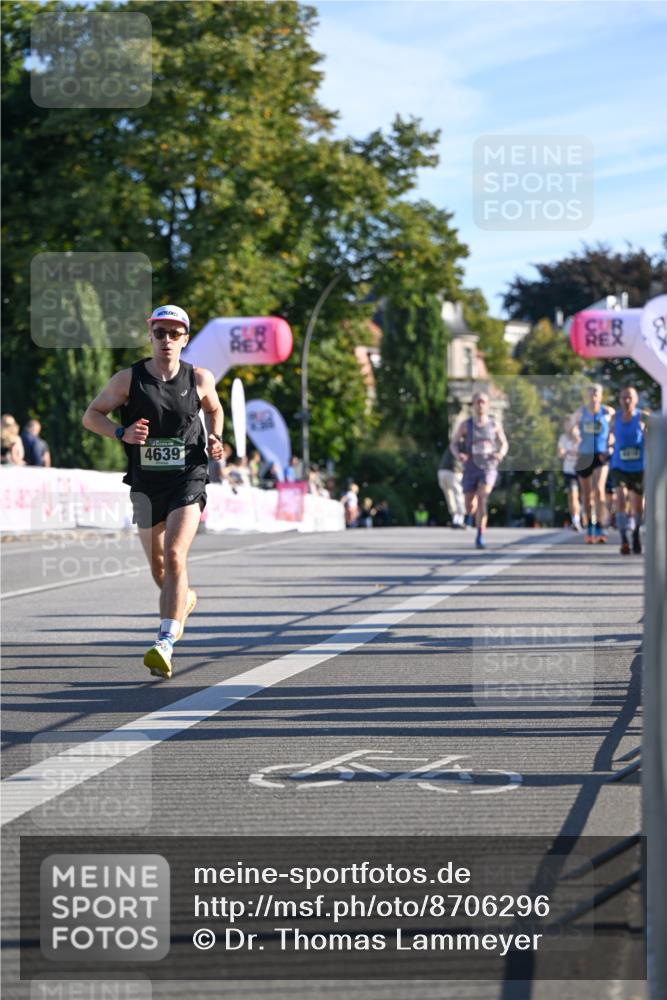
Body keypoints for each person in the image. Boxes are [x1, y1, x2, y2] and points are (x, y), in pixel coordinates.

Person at [82, 304, 224, 680]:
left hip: (188, 477)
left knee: (175, 555)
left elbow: (215, 410)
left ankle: (164, 642)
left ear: (185, 339)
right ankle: (183, 602)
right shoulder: (128, 380)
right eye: (159, 332)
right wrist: (120, 433)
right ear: (150, 335)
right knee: (159, 569)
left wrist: (215, 437)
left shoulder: (199, 378)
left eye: (174, 333)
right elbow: (91, 414)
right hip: (146, 484)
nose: (166, 340)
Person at [450, 391, 508, 549]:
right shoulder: (466, 425)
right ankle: (472, 513)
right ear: (473, 405)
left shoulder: (494, 424)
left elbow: (504, 443)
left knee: (483, 498)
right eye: (477, 402)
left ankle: (480, 534)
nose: (480, 405)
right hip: (470, 466)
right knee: (470, 505)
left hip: (488, 466)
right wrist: (458, 455)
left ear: (488, 405)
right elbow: (453, 444)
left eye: (483, 402)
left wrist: (500, 453)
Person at [570, 383, 615, 544]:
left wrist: (610, 444)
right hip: (584, 455)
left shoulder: (607, 412)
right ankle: (590, 525)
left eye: (597, 392)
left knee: (599, 490)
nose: (594, 395)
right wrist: (575, 436)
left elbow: (617, 429)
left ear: (601, 395)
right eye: (591, 392)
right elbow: (570, 427)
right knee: (586, 495)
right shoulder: (581, 412)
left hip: (600, 456)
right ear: (587, 395)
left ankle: (602, 526)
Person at [609, 386, 647, 555]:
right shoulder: (614, 418)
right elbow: (607, 436)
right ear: (619, 400)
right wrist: (605, 448)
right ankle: (624, 538)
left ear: (636, 399)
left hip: (639, 467)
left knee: (638, 506)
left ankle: (636, 533)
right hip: (619, 465)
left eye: (630, 397)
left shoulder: (642, 416)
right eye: (624, 397)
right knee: (620, 498)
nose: (627, 400)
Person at [557, 417, 581, 530]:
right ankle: (575, 519)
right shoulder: (563, 438)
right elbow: (560, 453)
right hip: (569, 470)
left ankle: (588, 518)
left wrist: (578, 440)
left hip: (583, 470)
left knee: (587, 496)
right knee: (572, 496)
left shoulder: (582, 436)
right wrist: (565, 451)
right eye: (566, 425)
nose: (568, 427)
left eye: (569, 424)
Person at [437, 444, 465, 528]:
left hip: (442, 471)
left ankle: (455, 518)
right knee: (458, 494)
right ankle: (459, 518)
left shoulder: (453, 443)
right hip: (454, 471)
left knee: (450, 495)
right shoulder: (464, 444)